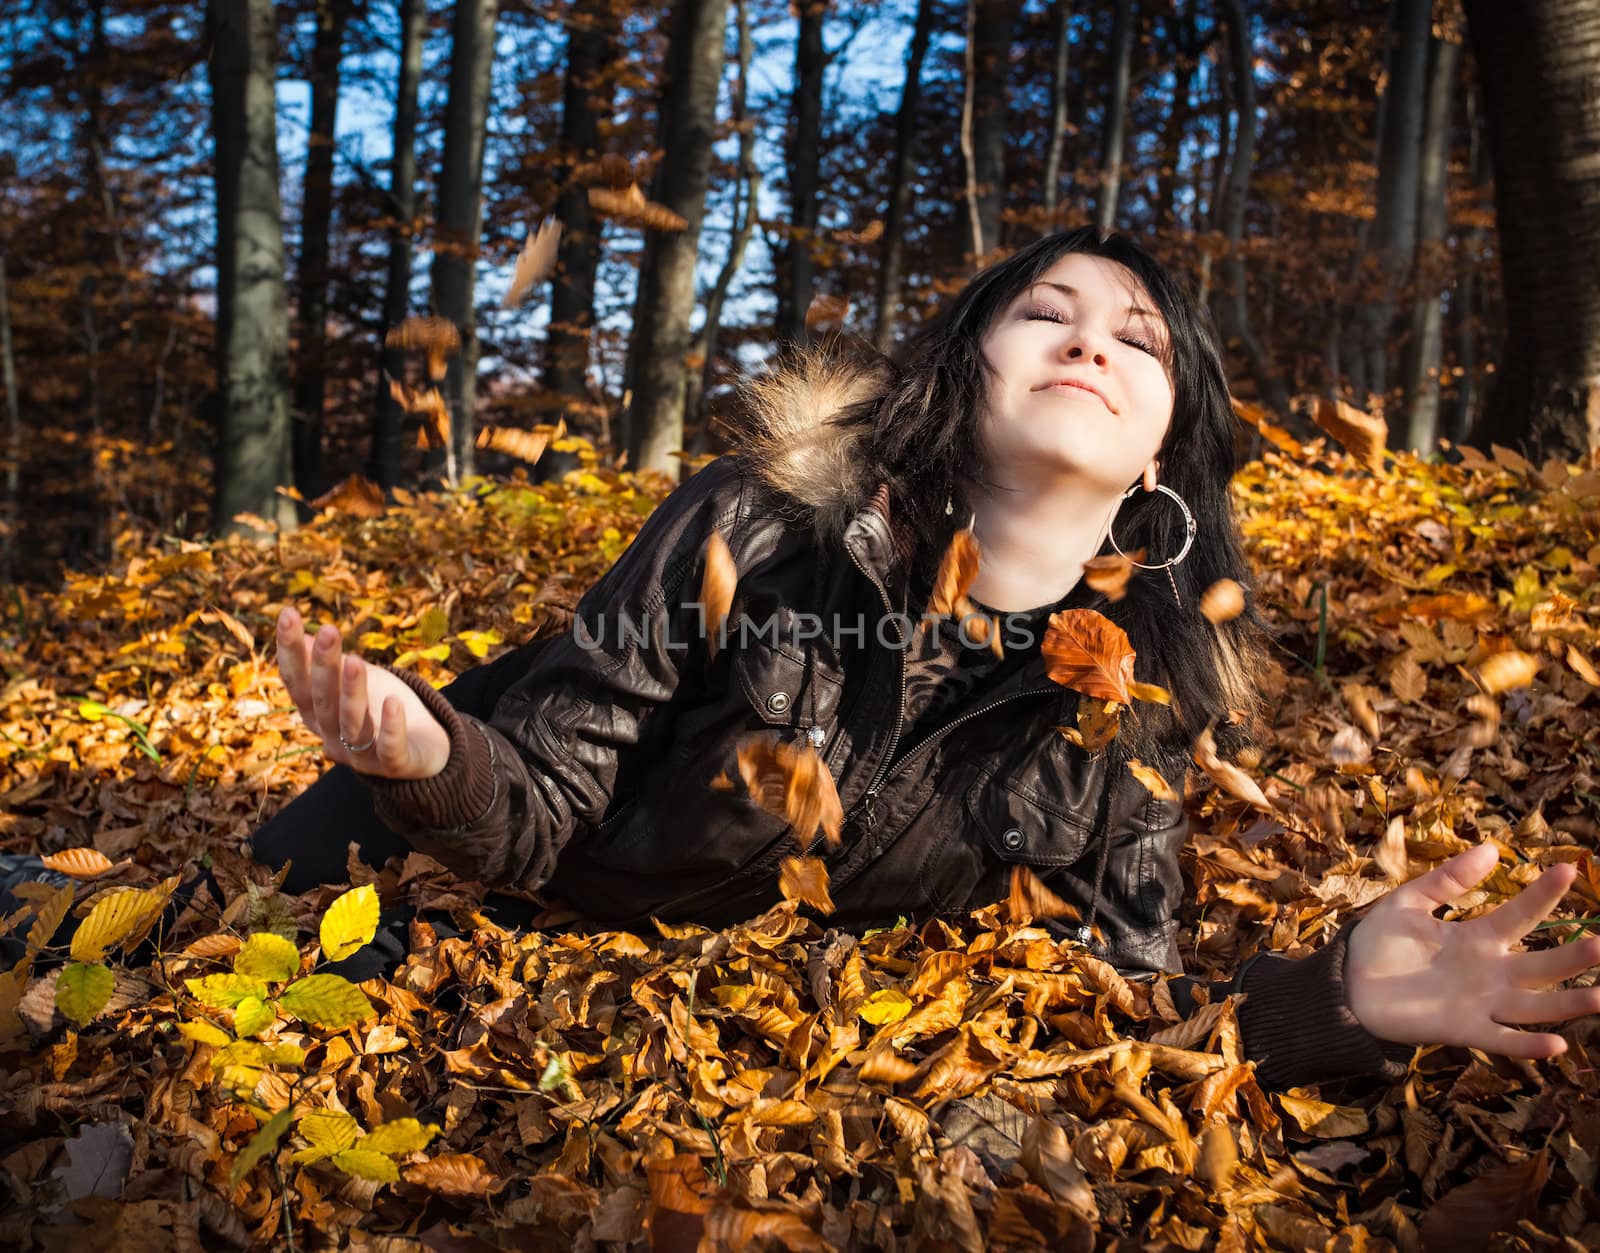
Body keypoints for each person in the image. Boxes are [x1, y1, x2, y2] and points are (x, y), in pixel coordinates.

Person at [255, 227, 1600, 1092]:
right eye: (1047, 314)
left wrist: (1336, 997)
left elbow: (1109, 999)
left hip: (627, 996)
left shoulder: (1129, 710)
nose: (1090, 340)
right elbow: (538, 802)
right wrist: (419, 750)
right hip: (424, 827)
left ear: (1162, 454)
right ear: (968, 367)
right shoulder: (757, 521)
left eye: (1139, 340)